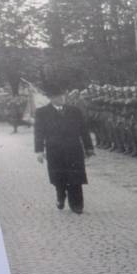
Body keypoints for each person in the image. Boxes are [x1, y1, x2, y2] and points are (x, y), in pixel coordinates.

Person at [34, 82, 95, 214]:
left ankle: (77, 204)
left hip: (74, 149)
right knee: (59, 176)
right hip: (54, 150)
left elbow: (84, 130)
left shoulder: (75, 111)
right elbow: (39, 133)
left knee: (76, 177)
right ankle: (60, 195)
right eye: (57, 97)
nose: (61, 99)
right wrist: (39, 151)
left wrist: (89, 147)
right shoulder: (42, 113)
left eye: (62, 96)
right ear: (51, 98)